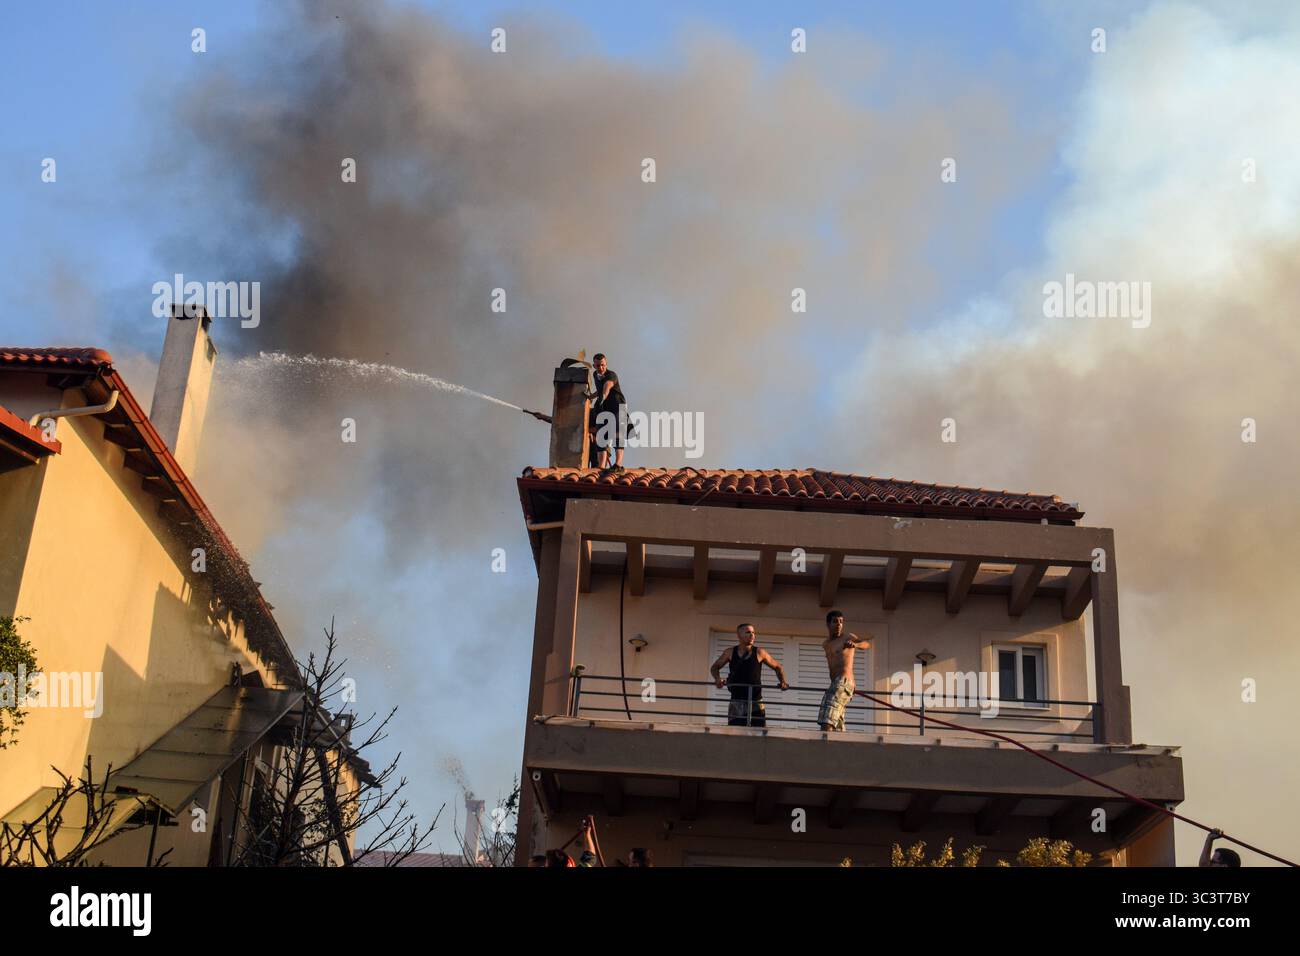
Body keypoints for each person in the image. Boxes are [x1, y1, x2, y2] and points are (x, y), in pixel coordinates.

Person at [710, 623, 788, 727]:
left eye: (753, 632)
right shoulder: (730, 652)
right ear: (739, 635)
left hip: (756, 701)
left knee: (759, 734)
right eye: (748, 632)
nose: (752, 635)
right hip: (736, 701)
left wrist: (783, 681)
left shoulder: (760, 652)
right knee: (735, 733)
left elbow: (778, 667)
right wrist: (717, 679)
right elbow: (715, 667)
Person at [818, 610, 869, 732]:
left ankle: (823, 746)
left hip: (843, 682)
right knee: (837, 723)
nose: (839, 624)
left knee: (827, 719)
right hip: (835, 683)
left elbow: (866, 644)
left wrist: (855, 645)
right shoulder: (826, 644)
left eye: (841, 622)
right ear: (828, 624)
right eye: (835, 621)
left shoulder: (847, 637)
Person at [586, 353, 627, 471]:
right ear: (594, 365)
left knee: (618, 436)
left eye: (603, 365)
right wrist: (590, 397)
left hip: (618, 407)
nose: (601, 368)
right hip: (605, 409)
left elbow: (606, 387)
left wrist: (603, 396)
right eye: (598, 365)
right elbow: (599, 390)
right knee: (601, 437)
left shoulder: (611, 375)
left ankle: (618, 465)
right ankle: (601, 467)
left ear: (606, 364)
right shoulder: (595, 374)